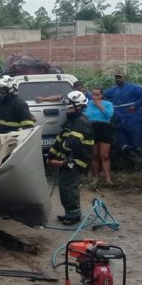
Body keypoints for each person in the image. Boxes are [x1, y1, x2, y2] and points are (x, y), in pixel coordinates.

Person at [47, 91, 95, 224]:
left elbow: (72, 143)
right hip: (69, 159)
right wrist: (51, 154)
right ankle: (69, 213)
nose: (67, 107)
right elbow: (60, 140)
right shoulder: (71, 121)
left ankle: (74, 216)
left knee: (68, 186)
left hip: (77, 160)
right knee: (64, 186)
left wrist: (60, 158)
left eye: (70, 104)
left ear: (79, 106)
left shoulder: (81, 122)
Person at [105, 73, 142, 164]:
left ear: (125, 78)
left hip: (132, 117)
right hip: (119, 119)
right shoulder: (114, 89)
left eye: (120, 77)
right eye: (116, 78)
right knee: (121, 141)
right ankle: (131, 162)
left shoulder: (133, 87)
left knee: (135, 140)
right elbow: (101, 94)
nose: (118, 79)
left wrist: (136, 105)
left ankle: (140, 164)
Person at [85, 87, 115, 186]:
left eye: (97, 94)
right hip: (92, 128)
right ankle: (95, 177)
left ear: (101, 95)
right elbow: (84, 115)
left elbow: (109, 115)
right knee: (94, 155)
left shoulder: (108, 104)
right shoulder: (87, 104)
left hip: (104, 128)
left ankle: (108, 178)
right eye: (93, 94)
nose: (95, 96)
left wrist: (99, 106)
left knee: (104, 155)